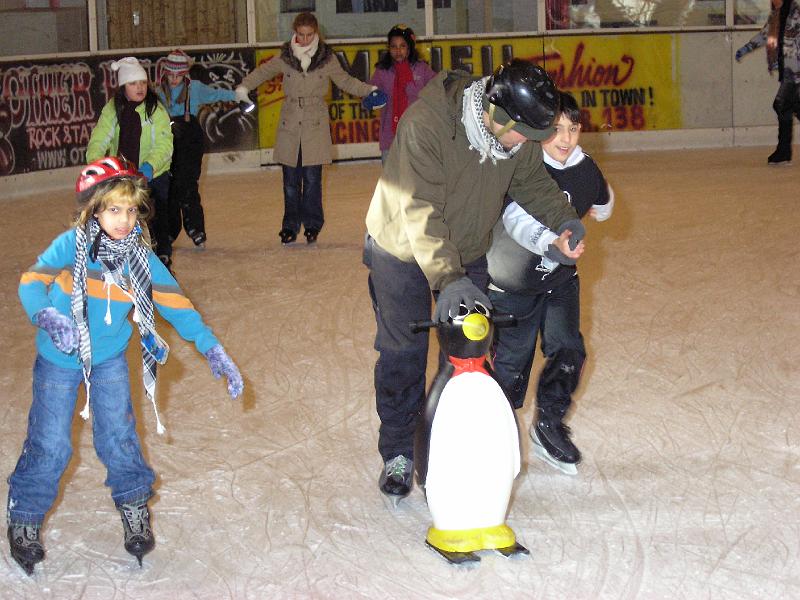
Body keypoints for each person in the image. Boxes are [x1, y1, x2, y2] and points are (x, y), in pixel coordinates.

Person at [6, 157, 244, 575]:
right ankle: (23, 516)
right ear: (94, 210)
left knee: (118, 436)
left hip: (109, 359)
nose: (124, 219)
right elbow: (30, 281)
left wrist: (211, 348)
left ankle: (134, 507)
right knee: (51, 443)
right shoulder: (70, 245)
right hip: (60, 357)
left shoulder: (140, 258)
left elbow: (178, 306)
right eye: (114, 209)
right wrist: (46, 314)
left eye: (131, 209)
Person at [363, 59, 583, 504]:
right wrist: (450, 279)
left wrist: (563, 220)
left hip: (467, 246)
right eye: (524, 134)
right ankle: (400, 453)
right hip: (401, 248)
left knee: (470, 359)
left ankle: (451, 451)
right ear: (497, 114)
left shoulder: (513, 134)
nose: (527, 144)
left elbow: (532, 181)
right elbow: (418, 211)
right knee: (404, 352)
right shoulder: (426, 125)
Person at [487, 91, 613, 476]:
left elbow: (604, 203)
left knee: (568, 350)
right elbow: (516, 222)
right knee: (510, 362)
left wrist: (601, 206)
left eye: (573, 129)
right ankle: (494, 433)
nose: (564, 139)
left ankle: (549, 424)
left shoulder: (584, 167)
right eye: (555, 130)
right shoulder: (524, 163)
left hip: (560, 281)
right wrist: (551, 243)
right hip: (513, 283)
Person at [235, 11, 387, 245]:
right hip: (290, 123)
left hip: (315, 124)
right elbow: (263, 72)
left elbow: (345, 81)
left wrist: (369, 90)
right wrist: (244, 88)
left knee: (313, 179)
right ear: (294, 33)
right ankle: (289, 226)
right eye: (300, 34)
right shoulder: (285, 57)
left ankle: (313, 225)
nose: (305, 39)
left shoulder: (326, 59)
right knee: (290, 181)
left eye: (309, 35)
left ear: (316, 33)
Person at [86, 57, 174, 268]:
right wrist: (97, 166)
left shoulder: (156, 109)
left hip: (154, 174)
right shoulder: (113, 110)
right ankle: (123, 255)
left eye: (143, 83)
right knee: (122, 215)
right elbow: (99, 139)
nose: (140, 88)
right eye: (133, 83)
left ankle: (162, 255)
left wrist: (150, 166)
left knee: (157, 214)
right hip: (123, 175)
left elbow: (164, 143)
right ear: (123, 86)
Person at [156, 49, 237, 249]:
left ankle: (195, 228)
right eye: (171, 74)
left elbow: (217, 93)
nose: (174, 79)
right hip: (167, 143)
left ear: (185, 73)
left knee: (188, 185)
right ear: (165, 73)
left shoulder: (196, 89)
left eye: (179, 75)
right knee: (171, 188)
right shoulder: (158, 92)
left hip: (190, 142)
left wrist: (238, 94)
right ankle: (169, 232)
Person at [368, 24, 436, 161]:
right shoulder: (382, 72)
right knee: (391, 181)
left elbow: (438, 88)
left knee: (417, 179)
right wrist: (370, 99)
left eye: (402, 46)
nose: (398, 51)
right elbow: (368, 94)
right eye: (393, 46)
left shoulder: (421, 69)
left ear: (410, 48)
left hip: (417, 135)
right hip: (390, 136)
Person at [765, 0, 800, 165]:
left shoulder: (795, 13)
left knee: (780, 104)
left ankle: (783, 152)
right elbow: (765, 34)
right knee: (791, 106)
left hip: (795, 68)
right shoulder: (775, 15)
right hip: (786, 67)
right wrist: (745, 49)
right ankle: (783, 152)